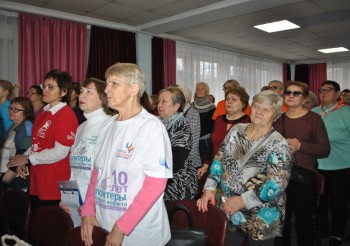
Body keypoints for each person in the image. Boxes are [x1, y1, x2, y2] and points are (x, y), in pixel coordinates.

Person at [81, 63, 172, 246]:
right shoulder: (107, 125)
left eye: (114, 83)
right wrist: (88, 210)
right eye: (107, 84)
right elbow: (97, 173)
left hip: (139, 234)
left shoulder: (151, 127)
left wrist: (122, 226)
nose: (106, 89)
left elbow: (155, 185)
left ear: (133, 89)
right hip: (105, 224)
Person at [197, 90, 293, 245]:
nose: (259, 112)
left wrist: (242, 201)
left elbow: (276, 184)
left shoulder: (279, 144)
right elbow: (219, 161)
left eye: (266, 109)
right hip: (227, 204)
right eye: (256, 107)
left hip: (261, 212)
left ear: (275, 115)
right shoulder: (237, 130)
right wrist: (209, 188)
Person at [8, 69, 79, 212]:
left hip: (54, 182)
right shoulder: (43, 113)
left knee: (49, 228)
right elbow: (35, 143)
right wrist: (23, 159)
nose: (45, 90)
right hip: (37, 178)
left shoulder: (66, 115)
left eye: (50, 87)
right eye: (44, 86)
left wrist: (28, 159)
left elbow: (61, 152)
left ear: (64, 92)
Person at [274, 81, 330, 246]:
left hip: (303, 176)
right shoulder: (279, 119)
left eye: (296, 93)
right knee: (281, 221)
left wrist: (300, 146)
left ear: (305, 98)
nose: (291, 95)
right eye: (288, 92)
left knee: (303, 222)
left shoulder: (314, 119)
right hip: (279, 176)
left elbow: (325, 150)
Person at [62, 78, 112, 221]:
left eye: (89, 92)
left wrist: (92, 204)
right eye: (81, 91)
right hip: (76, 202)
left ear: (103, 99)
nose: (81, 96)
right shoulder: (81, 127)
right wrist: (67, 197)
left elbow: (107, 171)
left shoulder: (109, 124)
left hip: (97, 203)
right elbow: (75, 170)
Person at [312, 80, 350, 246]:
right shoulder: (313, 112)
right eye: (322, 90)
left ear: (337, 94)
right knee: (319, 203)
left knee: (338, 203)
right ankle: (323, 229)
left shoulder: (347, 112)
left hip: (341, 166)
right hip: (318, 167)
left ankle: (337, 233)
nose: (324, 92)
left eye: (329, 90)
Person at [197, 86, 251, 179]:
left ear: (243, 104)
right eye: (227, 99)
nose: (229, 101)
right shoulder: (218, 120)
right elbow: (211, 144)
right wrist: (205, 165)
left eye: (234, 99)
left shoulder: (249, 122)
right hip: (215, 169)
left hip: (237, 173)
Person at [158, 86, 197, 202]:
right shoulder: (157, 123)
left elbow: (175, 162)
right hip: (160, 179)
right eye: (159, 101)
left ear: (176, 106)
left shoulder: (182, 127)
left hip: (178, 185)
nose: (159, 105)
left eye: (164, 102)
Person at [1, 97, 34, 190]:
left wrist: (6, 178)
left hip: (17, 179)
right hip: (9, 178)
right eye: (10, 108)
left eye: (16, 109)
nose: (11, 111)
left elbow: (25, 152)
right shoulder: (13, 126)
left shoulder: (26, 126)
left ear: (26, 111)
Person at [177, 85, 201, 169]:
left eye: (179, 97)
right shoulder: (173, 112)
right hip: (175, 158)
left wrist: (186, 159)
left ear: (186, 98)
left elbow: (194, 139)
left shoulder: (194, 113)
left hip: (189, 160)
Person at [191, 82, 216, 159]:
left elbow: (210, 126)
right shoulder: (192, 105)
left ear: (206, 92)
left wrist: (196, 134)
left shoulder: (211, 106)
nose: (199, 91)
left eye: (202, 89)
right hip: (192, 139)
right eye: (197, 89)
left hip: (204, 140)